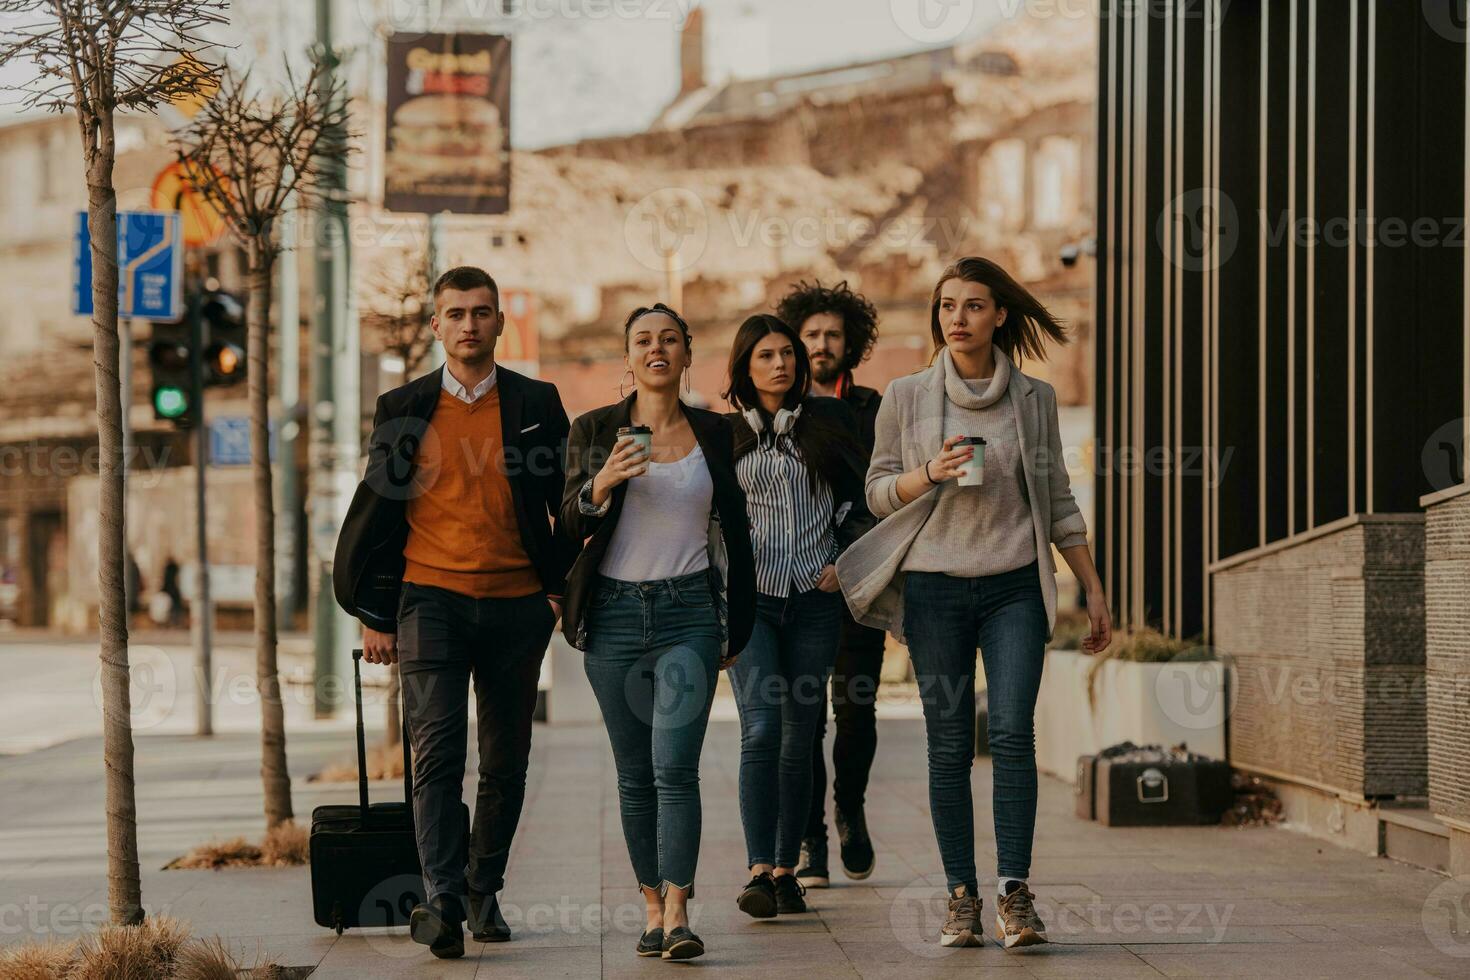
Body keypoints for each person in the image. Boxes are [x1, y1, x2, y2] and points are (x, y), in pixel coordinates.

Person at [836, 256, 1113, 950]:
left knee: (1014, 732)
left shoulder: (1035, 400)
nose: (956, 319)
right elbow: (875, 492)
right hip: (934, 589)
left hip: (1015, 584)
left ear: (1000, 316)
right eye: (946, 306)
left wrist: (1096, 589)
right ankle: (961, 896)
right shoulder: (905, 396)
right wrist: (926, 474)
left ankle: (1014, 895)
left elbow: (1057, 503)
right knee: (951, 743)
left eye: (973, 306)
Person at [333, 266, 579, 960]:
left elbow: (562, 507)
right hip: (430, 602)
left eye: (481, 312)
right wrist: (377, 613)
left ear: (500, 322)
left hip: (517, 606)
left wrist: (556, 589)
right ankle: (440, 898)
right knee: (437, 755)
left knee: (506, 759)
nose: (469, 324)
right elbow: (380, 518)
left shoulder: (536, 401)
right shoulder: (402, 407)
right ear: (436, 326)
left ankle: (483, 888)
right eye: (456, 313)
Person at [559, 303, 755, 961]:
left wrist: (739, 622)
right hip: (612, 615)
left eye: (669, 339)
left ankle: (678, 912)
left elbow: (738, 531)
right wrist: (603, 482)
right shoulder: (594, 429)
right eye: (644, 339)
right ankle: (649, 907)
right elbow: (564, 523)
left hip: (688, 615)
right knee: (635, 773)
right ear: (628, 356)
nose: (657, 349)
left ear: (687, 353)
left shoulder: (717, 433)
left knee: (677, 766)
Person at [723, 314, 872, 920]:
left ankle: (789, 870)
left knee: (800, 735)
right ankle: (759, 869)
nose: (782, 363)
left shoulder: (830, 423)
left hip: (814, 600)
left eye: (788, 353)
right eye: (767, 355)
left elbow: (862, 500)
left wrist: (847, 559)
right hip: (752, 602)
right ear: (745, 366)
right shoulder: (723, 435)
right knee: (760, 729)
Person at [777, 280, 886, 888]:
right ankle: (810, 840)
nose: (821, 344)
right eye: (811, 334)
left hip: (860, 583)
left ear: (851, 343)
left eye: (832, 335)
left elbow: (881, 492)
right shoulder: (780, 410)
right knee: (804, 715)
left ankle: (850, 804)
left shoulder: (874, 408)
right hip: (796, 587)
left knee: (857, 711)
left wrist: (848, 559)